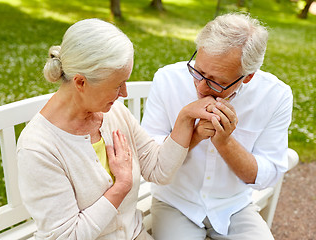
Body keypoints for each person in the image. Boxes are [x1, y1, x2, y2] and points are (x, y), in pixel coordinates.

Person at [16, 18, 219, 240]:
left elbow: (158, 169)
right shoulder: (38, 148)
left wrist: (186, 119)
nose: (124, 93)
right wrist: (121, 186)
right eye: (116, 85)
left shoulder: (114, 113)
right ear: (81, 82)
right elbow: (66, 236)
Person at [141, 13, 293, 240]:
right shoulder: (168, 79)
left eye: (216, 82)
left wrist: (225, 143)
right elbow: (148, 155)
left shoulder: (275, 96)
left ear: (247, 77)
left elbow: (268, 175)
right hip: (175, 202)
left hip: (234, 206)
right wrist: (192, 135)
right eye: (198, 72)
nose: (201, 87)